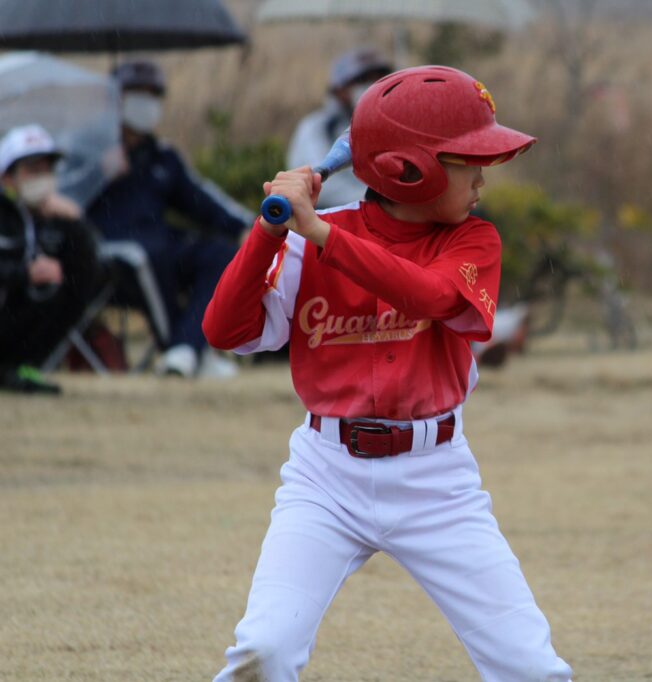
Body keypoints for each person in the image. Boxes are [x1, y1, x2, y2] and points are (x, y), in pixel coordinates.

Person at [203, 66, 573, 681]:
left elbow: (431, 296)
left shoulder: (473, 241)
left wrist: (317, 229)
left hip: (437, 478)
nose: (482, 177)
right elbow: (225, 331)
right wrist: (269, 231)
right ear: (409, 170)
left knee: (531, 670)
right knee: (263, 652)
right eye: (467, 161)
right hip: (326, 475)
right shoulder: (305, 242)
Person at [86, 60, 251, 378]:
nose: (146, 103)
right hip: (109, 253)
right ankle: (178, 349)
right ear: (116, 99)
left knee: (220, 253)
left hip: (159, 242)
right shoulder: (88, 149)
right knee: (146, 255)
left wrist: (249, 228)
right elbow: (64, 197)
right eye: (137, 94)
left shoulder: (162, 156)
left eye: (153, 95)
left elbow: (201, 202)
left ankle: (186, 348)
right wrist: (97, 172)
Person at [0, 125, 104, 394]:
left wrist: (76, 223)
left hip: (16, 322)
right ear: (7, 178)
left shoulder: (52, 219)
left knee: (59, 287)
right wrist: (24, 273)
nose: (42, 178)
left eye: (46, 170)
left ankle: (18, 366)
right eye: (33, 170)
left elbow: (88, 272)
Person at [286, 47, 392, 209]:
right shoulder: (316, 127)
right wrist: (381, 203)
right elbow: (319, 183)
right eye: (362, 80)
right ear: (338, 89)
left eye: (379, 78)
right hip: (329, 223)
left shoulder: (394, 126)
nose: (372, 86)